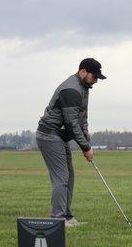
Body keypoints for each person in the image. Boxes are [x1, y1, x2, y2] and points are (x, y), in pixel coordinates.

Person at [36, 58, 106, 227]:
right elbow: (71, 123)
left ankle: (67, 216)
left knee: (70, 175)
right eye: (94, 77)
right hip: (49, 135)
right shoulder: (71, 90)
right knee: (61, 177)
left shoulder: (84, 87)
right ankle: (58, 219)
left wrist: (86, 141)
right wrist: (86, 147)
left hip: (60, 136)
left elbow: (82, 119)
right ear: (83, 72)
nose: (96, 81)